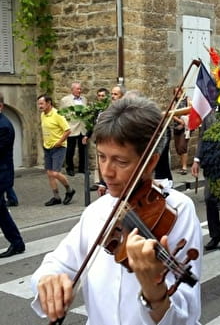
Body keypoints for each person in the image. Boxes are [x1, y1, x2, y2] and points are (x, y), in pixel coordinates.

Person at [31, 96, 202, 325]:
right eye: (102, 157)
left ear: (150, 163)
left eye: (120, 162)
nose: (106, 172)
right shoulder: (97, 211)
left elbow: (187, 315)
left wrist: (155, 292)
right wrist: (49, 279)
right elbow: (58, 262)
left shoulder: (177, 210)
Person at [191, 110, 220, 251]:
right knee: (209, 198)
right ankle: (216, 234)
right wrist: (197, 159)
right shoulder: (207, 111)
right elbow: (202, 137)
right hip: (211, 163)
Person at [37, 95, 76, 206]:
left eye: (41, 103)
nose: (40, 106)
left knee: (55, 173)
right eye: (39, 104)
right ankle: (56, 197)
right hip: (47, 147)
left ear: (49, 103)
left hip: (58, 147)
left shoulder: (57, 115)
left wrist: (59, 142)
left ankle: (70, 190)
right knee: (50, 173)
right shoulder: (42, 115)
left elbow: (68, 130)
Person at [0, 93, 25, 258]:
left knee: (1, 211)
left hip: (1, 174)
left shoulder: (4, 126)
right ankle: (17, 243)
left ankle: (17, 243)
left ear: (1, 106)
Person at [59, 82, 88, 176]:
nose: (79, 91)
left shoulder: (84, 99)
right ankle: (70, 168)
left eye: (80, 89)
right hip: (71, 128)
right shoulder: (65, 100)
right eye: (77, 89)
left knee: (82, 149)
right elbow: (61, 114)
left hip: (82, 128)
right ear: (72, 90)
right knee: (70, 150)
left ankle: (82, 168)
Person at [172, 87, 191, 175]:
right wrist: (180, 121)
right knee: (178, 148)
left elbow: (190, 110)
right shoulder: (174, 102)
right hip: (176, 127)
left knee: (183, 146)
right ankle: (182, 166)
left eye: (179, 91)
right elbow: (172, 114)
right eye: (176, 92)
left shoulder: (187, 99)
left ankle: (184, 167)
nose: (178, 93)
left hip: (185, 127)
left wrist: (184, 121)